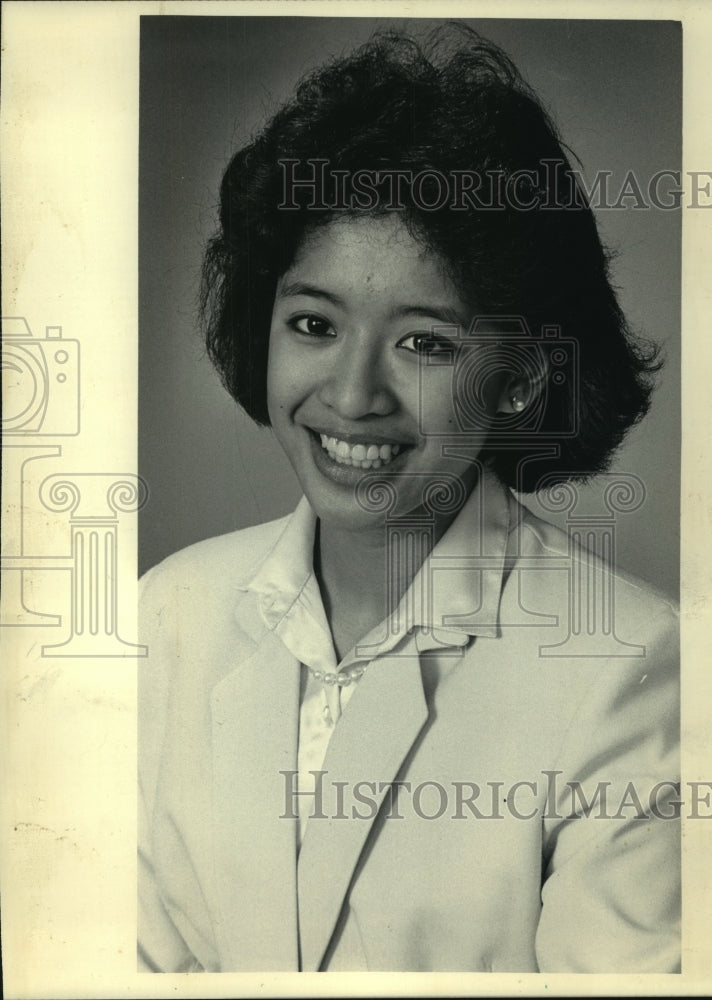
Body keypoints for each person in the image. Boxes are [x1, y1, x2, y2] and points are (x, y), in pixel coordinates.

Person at [138, 25, 679, 973]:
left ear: (517, 377)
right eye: (313, 323)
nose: (351, 397)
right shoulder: (165, 612)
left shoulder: (630, 669)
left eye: (425, 343)